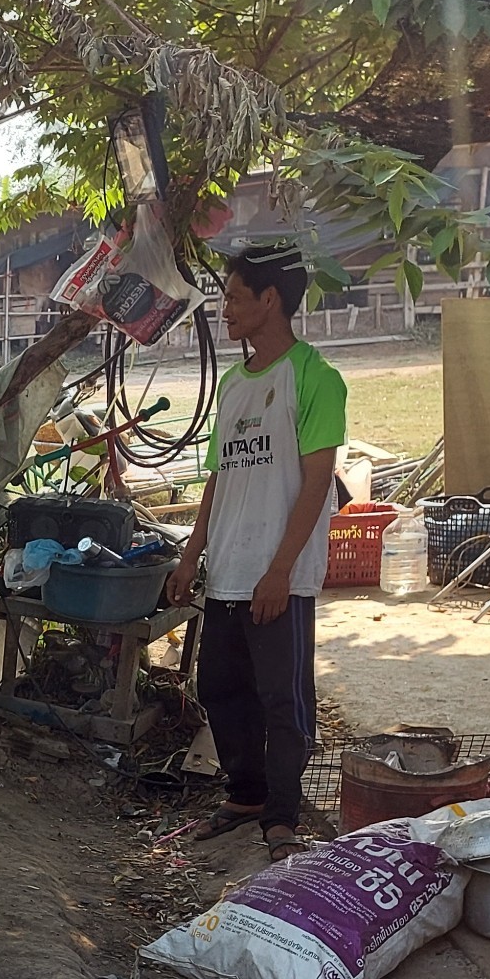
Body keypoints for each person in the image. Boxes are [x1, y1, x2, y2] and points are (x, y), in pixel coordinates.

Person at [166, 243, 347, 862]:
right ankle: (244, 794)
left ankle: (282, 813)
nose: (226, 309)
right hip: (228, 572)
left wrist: (281, 569)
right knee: (220, 687)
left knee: (283, 697)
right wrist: (192, 557)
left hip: (280, 577)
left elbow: (318, 481)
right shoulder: (233, 385)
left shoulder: (316, 378)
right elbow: (218, 477)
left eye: (236, 297)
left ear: (271, 300)